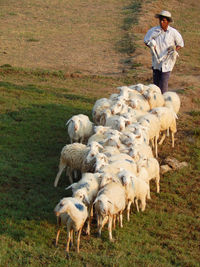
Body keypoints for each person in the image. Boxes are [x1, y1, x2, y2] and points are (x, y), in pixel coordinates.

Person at [144, 10, 184, 93]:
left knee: (164, 82)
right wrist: (151, 45)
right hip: (156, 60)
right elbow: (146, 40)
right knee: (156, 84)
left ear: (168, 22)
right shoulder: (153, 31)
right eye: (160, 20)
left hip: (168, 61)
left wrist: (174, 49)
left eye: (164, 21)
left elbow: (180, 44)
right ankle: (156, 100)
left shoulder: (173, 32)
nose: (162, 22)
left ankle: (163, 100)